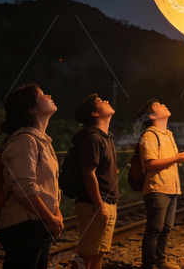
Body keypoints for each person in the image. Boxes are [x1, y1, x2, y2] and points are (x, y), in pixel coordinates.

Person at [0, 84, 63, 269]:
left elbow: (47, 185)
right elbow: (24, 188)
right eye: (42, 94)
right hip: (24, 225)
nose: (48, 94)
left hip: (38, 223)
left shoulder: (42, 140)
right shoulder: (24, 141)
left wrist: (55, 214)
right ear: (32, 109)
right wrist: (50, 218)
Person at [137, 100, 184, 269]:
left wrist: (177, 158)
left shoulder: (168, 134)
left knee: (166, 228)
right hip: (157, 188)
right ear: (152, 115)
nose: (164, 105)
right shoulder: (149, 135)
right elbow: (150, 164)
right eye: (158, 105)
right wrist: (177, 158)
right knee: (155, 229)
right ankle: (149, 264)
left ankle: (160, 262)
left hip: (171, 187)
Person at [71, 94, 119, 269]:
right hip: (95, 203)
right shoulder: (92, 138)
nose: (106, 101)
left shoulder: (106, 137)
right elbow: (88, 172)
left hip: (107, 201)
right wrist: (99, 203)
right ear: (94, 114)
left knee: (99, 251)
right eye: (100, 102)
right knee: (86, 254)